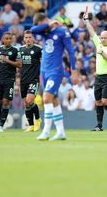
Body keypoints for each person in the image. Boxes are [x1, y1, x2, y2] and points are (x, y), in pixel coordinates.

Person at [31, 13, 77, 141]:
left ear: (44, 20)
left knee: (46, 98)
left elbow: (71, 52)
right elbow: (33, 30)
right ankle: (61, 132)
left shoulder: (62, 32)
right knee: (54, 100)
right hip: (44, 71)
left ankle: (46, 131)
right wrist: (49, 24)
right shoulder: (45, 32)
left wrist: (74, 70)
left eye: (41, 24)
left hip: (55, 71)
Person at [83, 11, 107, 131]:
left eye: (105, 38)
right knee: (98, 102)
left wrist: (102, 52)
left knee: (105, 101)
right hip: (98, 77)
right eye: (101, 37)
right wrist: (86, 21)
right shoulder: (98, 43)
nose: (102, 39)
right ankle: (99, 125)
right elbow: (91, 31)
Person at [19, 30, 42, 132]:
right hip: (23, 80)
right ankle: (31, 125)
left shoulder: (38, 49)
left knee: (30, 100)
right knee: (26, 104)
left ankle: (37, 119)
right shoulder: (20, 50)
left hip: (34, 79)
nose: (28, 39)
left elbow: (44, 61)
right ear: (24, 39)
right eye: (26, 37)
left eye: (29, 37)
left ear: (33, 38)